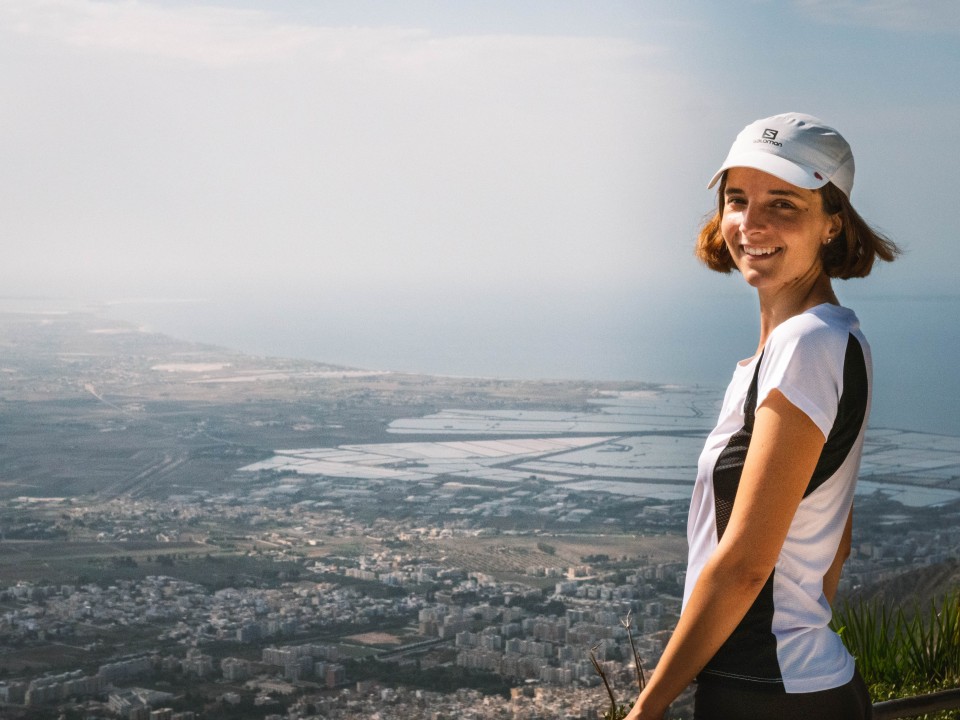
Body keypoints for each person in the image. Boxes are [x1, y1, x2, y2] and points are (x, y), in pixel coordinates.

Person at [625, 113, 899, 720]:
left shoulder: (807, 346)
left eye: (784, 203)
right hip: (789, 688)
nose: (752, 223)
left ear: (832, 223)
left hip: (768, 696)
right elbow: (838, 538)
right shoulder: (807, 346)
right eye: (737, 199)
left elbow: (746, 564)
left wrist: (646, 710)